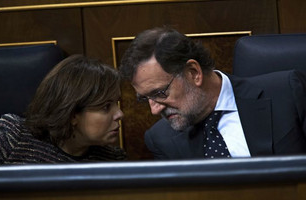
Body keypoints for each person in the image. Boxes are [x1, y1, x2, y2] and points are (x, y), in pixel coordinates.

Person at [119, 27, 306, 160]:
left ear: (194, 73)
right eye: (145, 98)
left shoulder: (287, 92)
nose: (154, 109)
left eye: (160, 93)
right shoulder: (162, 139)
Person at [0, 54, 126, 165]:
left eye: (116, 103)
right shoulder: (13, 140)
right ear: (72, 114)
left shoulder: (113, 161)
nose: (120, 114)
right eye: (106, 106)